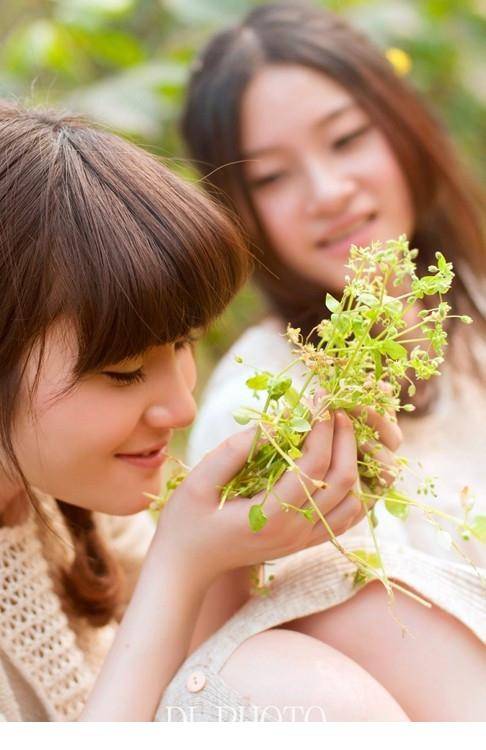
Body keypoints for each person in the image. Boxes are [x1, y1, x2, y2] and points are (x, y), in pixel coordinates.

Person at [0, 100, 409, 722]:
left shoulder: (71, 499)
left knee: (357, 600)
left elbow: (182, 682)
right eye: (123, 372)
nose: (181, 407)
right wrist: (182, 561)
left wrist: (226, 549)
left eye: (185, 342)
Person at [166, 0, 486, 721]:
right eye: (273, 178)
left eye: (344, 140)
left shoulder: (474, 314)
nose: (327, 193)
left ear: (404, 129)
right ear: (236, 211)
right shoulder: (265, 404)